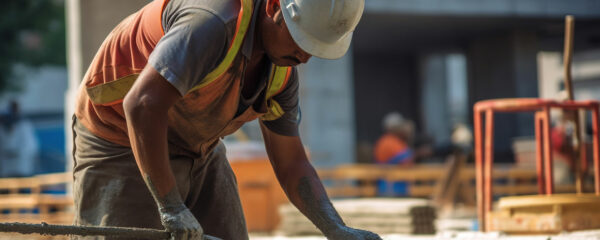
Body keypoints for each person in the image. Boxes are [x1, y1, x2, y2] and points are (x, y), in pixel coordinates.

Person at [72, 0, 381, 239]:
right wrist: (171, 206)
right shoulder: (213, 22)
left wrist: (335, 229)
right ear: (274, 7)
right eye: (302, 40)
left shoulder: (281, 71)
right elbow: (141, 106)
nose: (305, 56)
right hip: (118, 136)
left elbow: (292, 164)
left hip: (196, 145)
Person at [0, 100, 38, 178]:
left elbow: (30, 147)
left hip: (21, 168)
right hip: (6, 170)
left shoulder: (24, 126)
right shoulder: (3, 126)